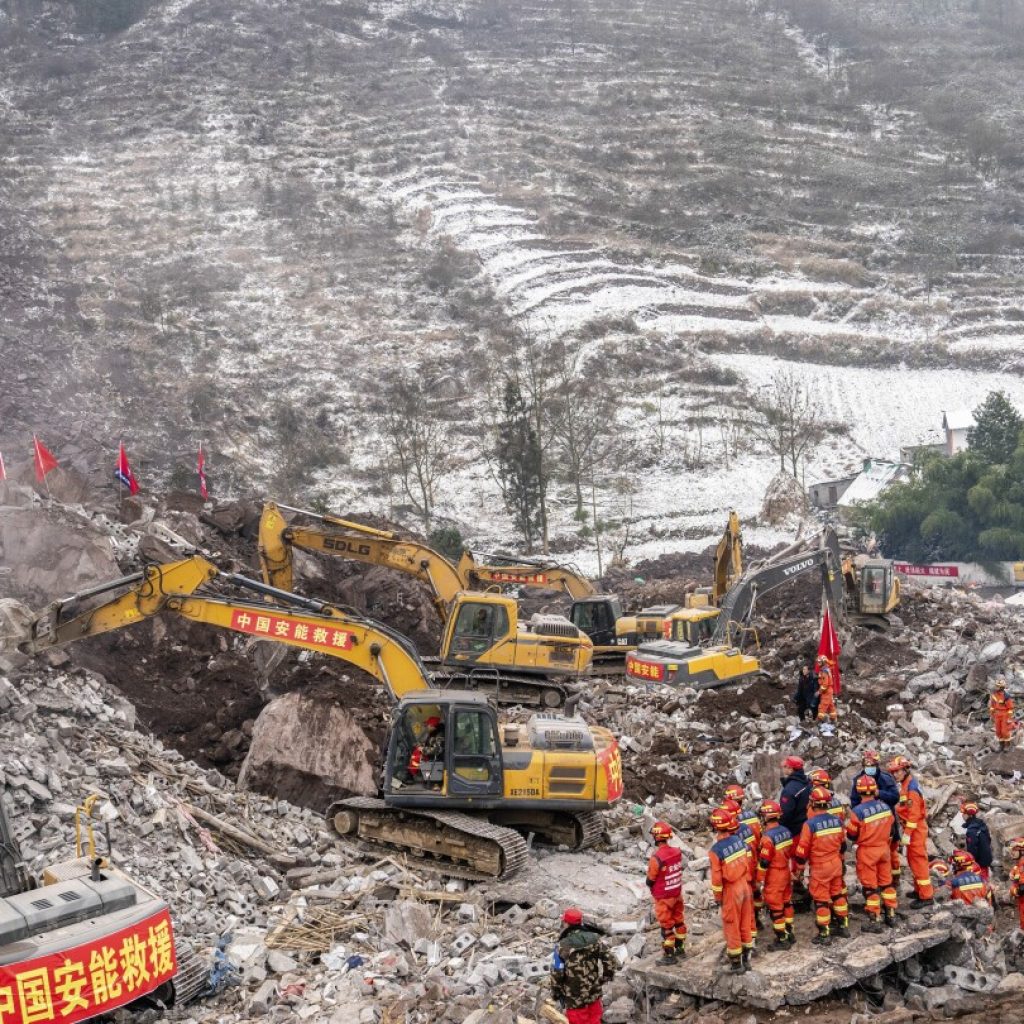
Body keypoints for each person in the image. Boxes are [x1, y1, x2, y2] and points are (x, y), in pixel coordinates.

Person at [793, 785, 849, 945]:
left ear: (812, 803)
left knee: (821, 900)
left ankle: (825, 933)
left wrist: (799, 869)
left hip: (820, 867)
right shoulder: (837, 820)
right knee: (837, 894)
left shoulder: (810, 825)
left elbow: (802, 851)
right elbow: (843, 845)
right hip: (836, 863)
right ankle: (843, 926)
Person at [845, 777, 898, 932]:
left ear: (858, 791)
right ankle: (891, 914)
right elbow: (892, 828)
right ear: (874, 790)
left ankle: (875, 920)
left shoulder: (857, 812)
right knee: (887, 883)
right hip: (884, 849)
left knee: (870, 887)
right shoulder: (885, 807)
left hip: (868, 851)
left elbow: (852, 835)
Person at [708, 806, 755, 973]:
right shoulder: (739, 841)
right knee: (745, 921)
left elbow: (716, 879)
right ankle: (747, 958)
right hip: (744, 885)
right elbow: (748, 863)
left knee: (731, 924)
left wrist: (718, 897)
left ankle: (736, 963)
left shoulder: (716, 851)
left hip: (731, 890)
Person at [550, 907, 617, 1024]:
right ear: (580, 922)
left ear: (566, 923)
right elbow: (610, 960)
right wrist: (605, 977)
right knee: (595, 1020)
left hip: (574, 996)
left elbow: (557, 972)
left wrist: (556, 992)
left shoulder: (562, 945)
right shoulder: (595, 938)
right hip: (593, 991)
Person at [850, 750, 902, 887]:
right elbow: (854, 802)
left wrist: (879, 794)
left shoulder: (886, 778)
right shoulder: (858, 780)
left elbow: (895, 797)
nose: (869, 767)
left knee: (891, 852)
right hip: (868, 824)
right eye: (867, 764)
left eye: (872, 764)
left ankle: (893, 880)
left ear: (877, 764)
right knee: (871, 857)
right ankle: (878, 884)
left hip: (886, 822)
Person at [890, 756, 934, 908]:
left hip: (915, 828)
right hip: (912, 827)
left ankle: (927, 896)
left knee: (918, 860)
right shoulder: (906, 784)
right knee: (912, 860)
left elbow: (914, 814)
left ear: (905, 770)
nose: (895, 775)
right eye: (894, 772)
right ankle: (919, 890)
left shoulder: (911, 788)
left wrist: (908, 833)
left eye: (897, 771)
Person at [755, 800, 795, 948]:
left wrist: (759, 880)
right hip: (785, 871)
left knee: (776, 907)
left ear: (765, 817)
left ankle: (782, 939)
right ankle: (790, 932)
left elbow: (764, 862)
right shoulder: (786, 831)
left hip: (775, 875)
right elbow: (790, 852)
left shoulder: (767, 838)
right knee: (787, 902)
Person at [646, 821, 687, 963]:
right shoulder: (677, 852)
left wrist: (651, 886)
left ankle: (669, 956)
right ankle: (681, 949)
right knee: (679, 921)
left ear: (656, 837)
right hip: (676, 893)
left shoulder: (656, 858)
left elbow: (650, 879)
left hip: (663, 897)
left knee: (666, 927)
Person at [724, 784, 762, 928]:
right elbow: (760, 835)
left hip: (742, 864)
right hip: (755, 857)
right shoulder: (752, 816)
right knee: (756, 891)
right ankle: (757, 918)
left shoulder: (731, 823)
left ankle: (750, 923)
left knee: (746, 895)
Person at [779, 755, 811, 838]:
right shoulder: (807, 782)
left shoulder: (789, 790)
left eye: (785, 766)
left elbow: (785, 813)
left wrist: (779, 828)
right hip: (806, 824)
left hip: (795, 830)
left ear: (791, 769)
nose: (783, 768)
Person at [960, 801, 993, 881]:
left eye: (964, 813)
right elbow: (988, 840)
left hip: (979, 863)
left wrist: (970, 863)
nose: (962, 815)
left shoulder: (971, 830)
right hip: (985, 860)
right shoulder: (981, 825)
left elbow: (972, 849)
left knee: (979, 882)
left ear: (969, 815)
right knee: (985, 880)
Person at [408, 716, 445, 786]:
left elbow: (437, 750)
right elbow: (430, 744)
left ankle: (413, 776)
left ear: (432, 726)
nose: (427, 727)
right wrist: (421, 745)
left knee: (416, 757)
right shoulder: (434, 733)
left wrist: (423, 749)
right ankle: (414, 774)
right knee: (415, 754)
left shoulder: (439, 735)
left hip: (436, 759)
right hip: (432, 757)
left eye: (428, 725)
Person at [989, 678, 1016, 750]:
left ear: (1001, 687)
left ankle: (1007, 745)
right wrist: (991, 715)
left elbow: (1010, 708)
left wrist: (1009, 718)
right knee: (998, 731)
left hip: (1005, 715)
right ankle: (1001, 745)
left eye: (997, 686)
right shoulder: (994, 695)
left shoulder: (1006, 696)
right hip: (997, 715)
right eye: (996, 686)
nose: (995, 687)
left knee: (1004, 731)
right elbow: (992, 706)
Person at [816, 656, 838, 727]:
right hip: (828, 691)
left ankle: (818, 721)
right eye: (818, 662)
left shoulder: (824, 671)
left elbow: (825, 685)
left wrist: (819, 692)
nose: (818, 663)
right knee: (830, 706)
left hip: (826, 691)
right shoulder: (824, 670)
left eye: (819, 662)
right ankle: (833, 720)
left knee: (822, 706)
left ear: (823, 662)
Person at [1008, 837, 1024, 932]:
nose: (1012, 852)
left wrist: (1013, 890)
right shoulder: (1019, 865)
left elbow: (1021, 890)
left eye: (1014, 850)